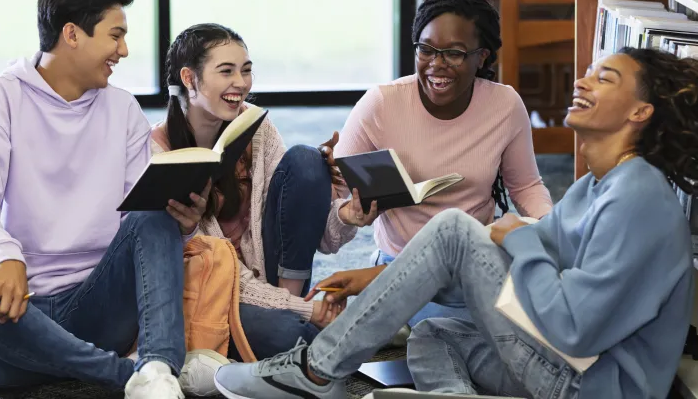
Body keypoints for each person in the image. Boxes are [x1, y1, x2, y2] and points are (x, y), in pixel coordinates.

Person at [213, 47, 698, 399]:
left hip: (589, 384)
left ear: (641, 111)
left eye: (604, 79)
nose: (581, 82)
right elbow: (503, 259)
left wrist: (526, 240)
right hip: (564, 364)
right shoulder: (599, 185)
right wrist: (376, 278)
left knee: (454, 228)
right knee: (435, 333)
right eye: (588, 73)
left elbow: (575, 330)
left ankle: (316, 372)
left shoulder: (638, 198)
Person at [0, 0, 188, 399]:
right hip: (16, 315)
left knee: (155, 217)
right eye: (116, 36)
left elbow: (142, 214)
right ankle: (135, 379)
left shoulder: (122, 108)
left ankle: (156, 366)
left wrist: (179, 216)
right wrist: (6, 256)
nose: (124, 51)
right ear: (72, 34)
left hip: (96, 306)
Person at [322, 0, 554, 324]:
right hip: (398, 260)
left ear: (483, 57)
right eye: (426, 50)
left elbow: (526, 186)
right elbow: (332, 207)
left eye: (454, 54)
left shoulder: (505, 105)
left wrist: (550, 230)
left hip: (473, 259)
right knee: (455, 326)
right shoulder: (382, 104)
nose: (437, 64)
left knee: (529, 314)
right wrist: (349, 214)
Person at [150, 23, 354, 361]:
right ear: (189, 79)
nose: (241, 83)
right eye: (226, 71)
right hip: (216, 293)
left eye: (246, 71)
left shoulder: (257, 130)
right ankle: (305, 332)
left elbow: (316, 238)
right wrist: (302, 311)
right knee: (291, 337)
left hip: (279, 286)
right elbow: (205, 269)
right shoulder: (159, 152)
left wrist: (346, 215)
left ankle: (300, 325)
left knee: (306, 159)